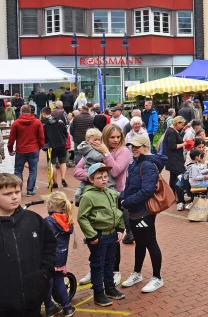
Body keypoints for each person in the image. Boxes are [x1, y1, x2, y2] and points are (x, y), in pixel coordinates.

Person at [0, 174, 56, 316]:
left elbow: (50, 247)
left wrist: (44, 276)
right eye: (7, 194)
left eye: (17, 192)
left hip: (32, 303)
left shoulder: (34, 220)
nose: (15, 197)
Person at [119, 133, 166, 293]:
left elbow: (147, 190)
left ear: (145, 147)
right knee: (139, 243)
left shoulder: (147, 165)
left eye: (137, 146)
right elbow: (129, 186)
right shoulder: (135, 163)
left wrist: (127, 202)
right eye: (132, 146)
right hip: (134, 211)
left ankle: (157, 278)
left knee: (150, 242)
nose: (134, 149)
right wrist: (122, 198)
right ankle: (137, 273)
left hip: (144, 212)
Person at [78, 162, 126, 306]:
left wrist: (120, 229)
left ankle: (110, 288)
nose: (104, 179)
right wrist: (92, 235)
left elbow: (117, 212)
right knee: (98, 265)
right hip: (98, 237)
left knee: (110, 263)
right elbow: (82, 217)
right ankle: (98, 293)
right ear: (91, 180)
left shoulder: (111, 193)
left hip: (112, 235)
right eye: (99, 177)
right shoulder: (88, 196)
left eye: (105, 176)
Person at [43, 192, 76, 316]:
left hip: (49, 258)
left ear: (51, 205)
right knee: (59, 281)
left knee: (48, 283)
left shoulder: (48, 222)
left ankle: (49, 307)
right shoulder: (68, 220)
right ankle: (67, 307)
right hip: (61, 258)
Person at [7, 104, 45, 195]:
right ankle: (30, 190)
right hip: (33, 148)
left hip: (20, 150)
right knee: (33, 170)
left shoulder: (16, 123)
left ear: (21, 111)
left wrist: (10, 149)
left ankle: (18, 189)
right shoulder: (37, 122)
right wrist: (40, 146)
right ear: (31, 111)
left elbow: (11, 139)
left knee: (18, 171)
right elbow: (41, 137)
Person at [41, 107, 69, 189]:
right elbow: (65, 132)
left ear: (44, 114)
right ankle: (63, 178)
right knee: (62, 162)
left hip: (50, 146)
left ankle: (55, 182)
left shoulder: (43, 123)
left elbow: (42, 136)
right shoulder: (59, 121)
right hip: (61, 144)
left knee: (52, 164)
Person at [163, 116, 187, 211]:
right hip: (174, 159)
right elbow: (172, 146)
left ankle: (172, 196)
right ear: (177, 123)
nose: (182, 126)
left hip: (172, 158)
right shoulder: (172, 132)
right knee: (180, 176)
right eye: (182, 124)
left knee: (173, 177)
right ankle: (180, 199)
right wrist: (184, 144)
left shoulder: (171, 131)